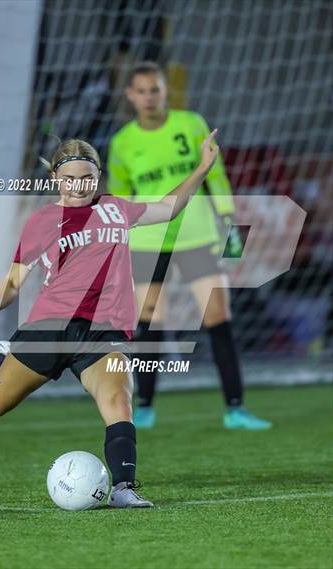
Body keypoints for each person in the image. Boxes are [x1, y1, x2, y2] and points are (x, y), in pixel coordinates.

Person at [0, 133, 219, 509]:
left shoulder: (116, 208)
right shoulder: (42, 221)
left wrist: (202, 167)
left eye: (87, 177)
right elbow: (15, 279)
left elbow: (168, 208)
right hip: (51, 326)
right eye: (70, 178)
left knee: (118, 400)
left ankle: (123, 488)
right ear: (56, 178)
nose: (79, 185)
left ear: (98, 176)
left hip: (103, 331)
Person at [108, 61, 272, 430]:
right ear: (130, 95)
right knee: (150, 322)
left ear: (166, 89)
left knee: (218, 317)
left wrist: (230, 223)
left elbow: (217, 175)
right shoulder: (122, 143)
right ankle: (143, 408)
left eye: (155, 89)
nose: (149, 97)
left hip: (197, 235)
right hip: (148, 240)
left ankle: (236, 409)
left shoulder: (192, 123)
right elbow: (120, 200)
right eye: (141, 91)